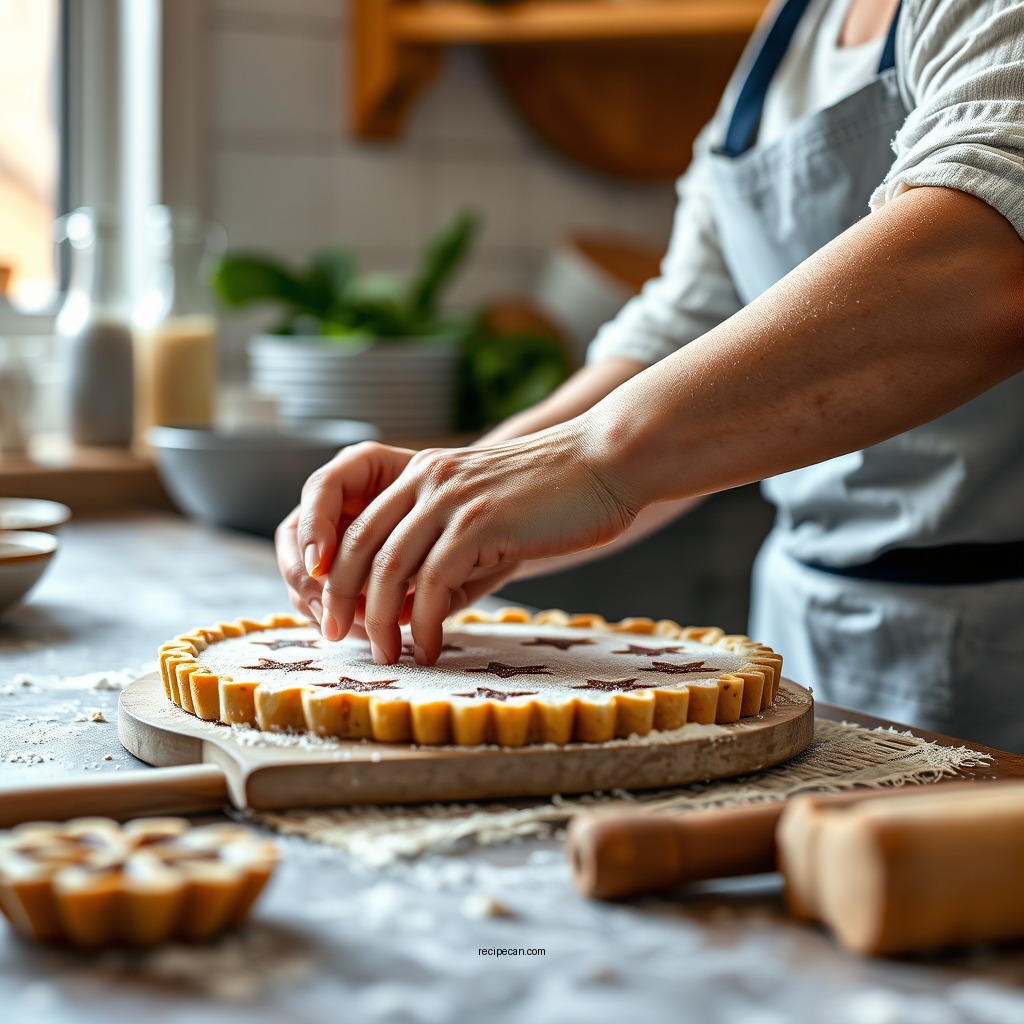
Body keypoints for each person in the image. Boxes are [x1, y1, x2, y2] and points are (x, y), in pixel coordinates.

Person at [277, 0, 1024, 753]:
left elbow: (991, 260)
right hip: (807, 628)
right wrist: (464, 488)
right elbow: (686, 330)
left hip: (999, 645)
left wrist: (595, 456)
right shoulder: (792, 30)